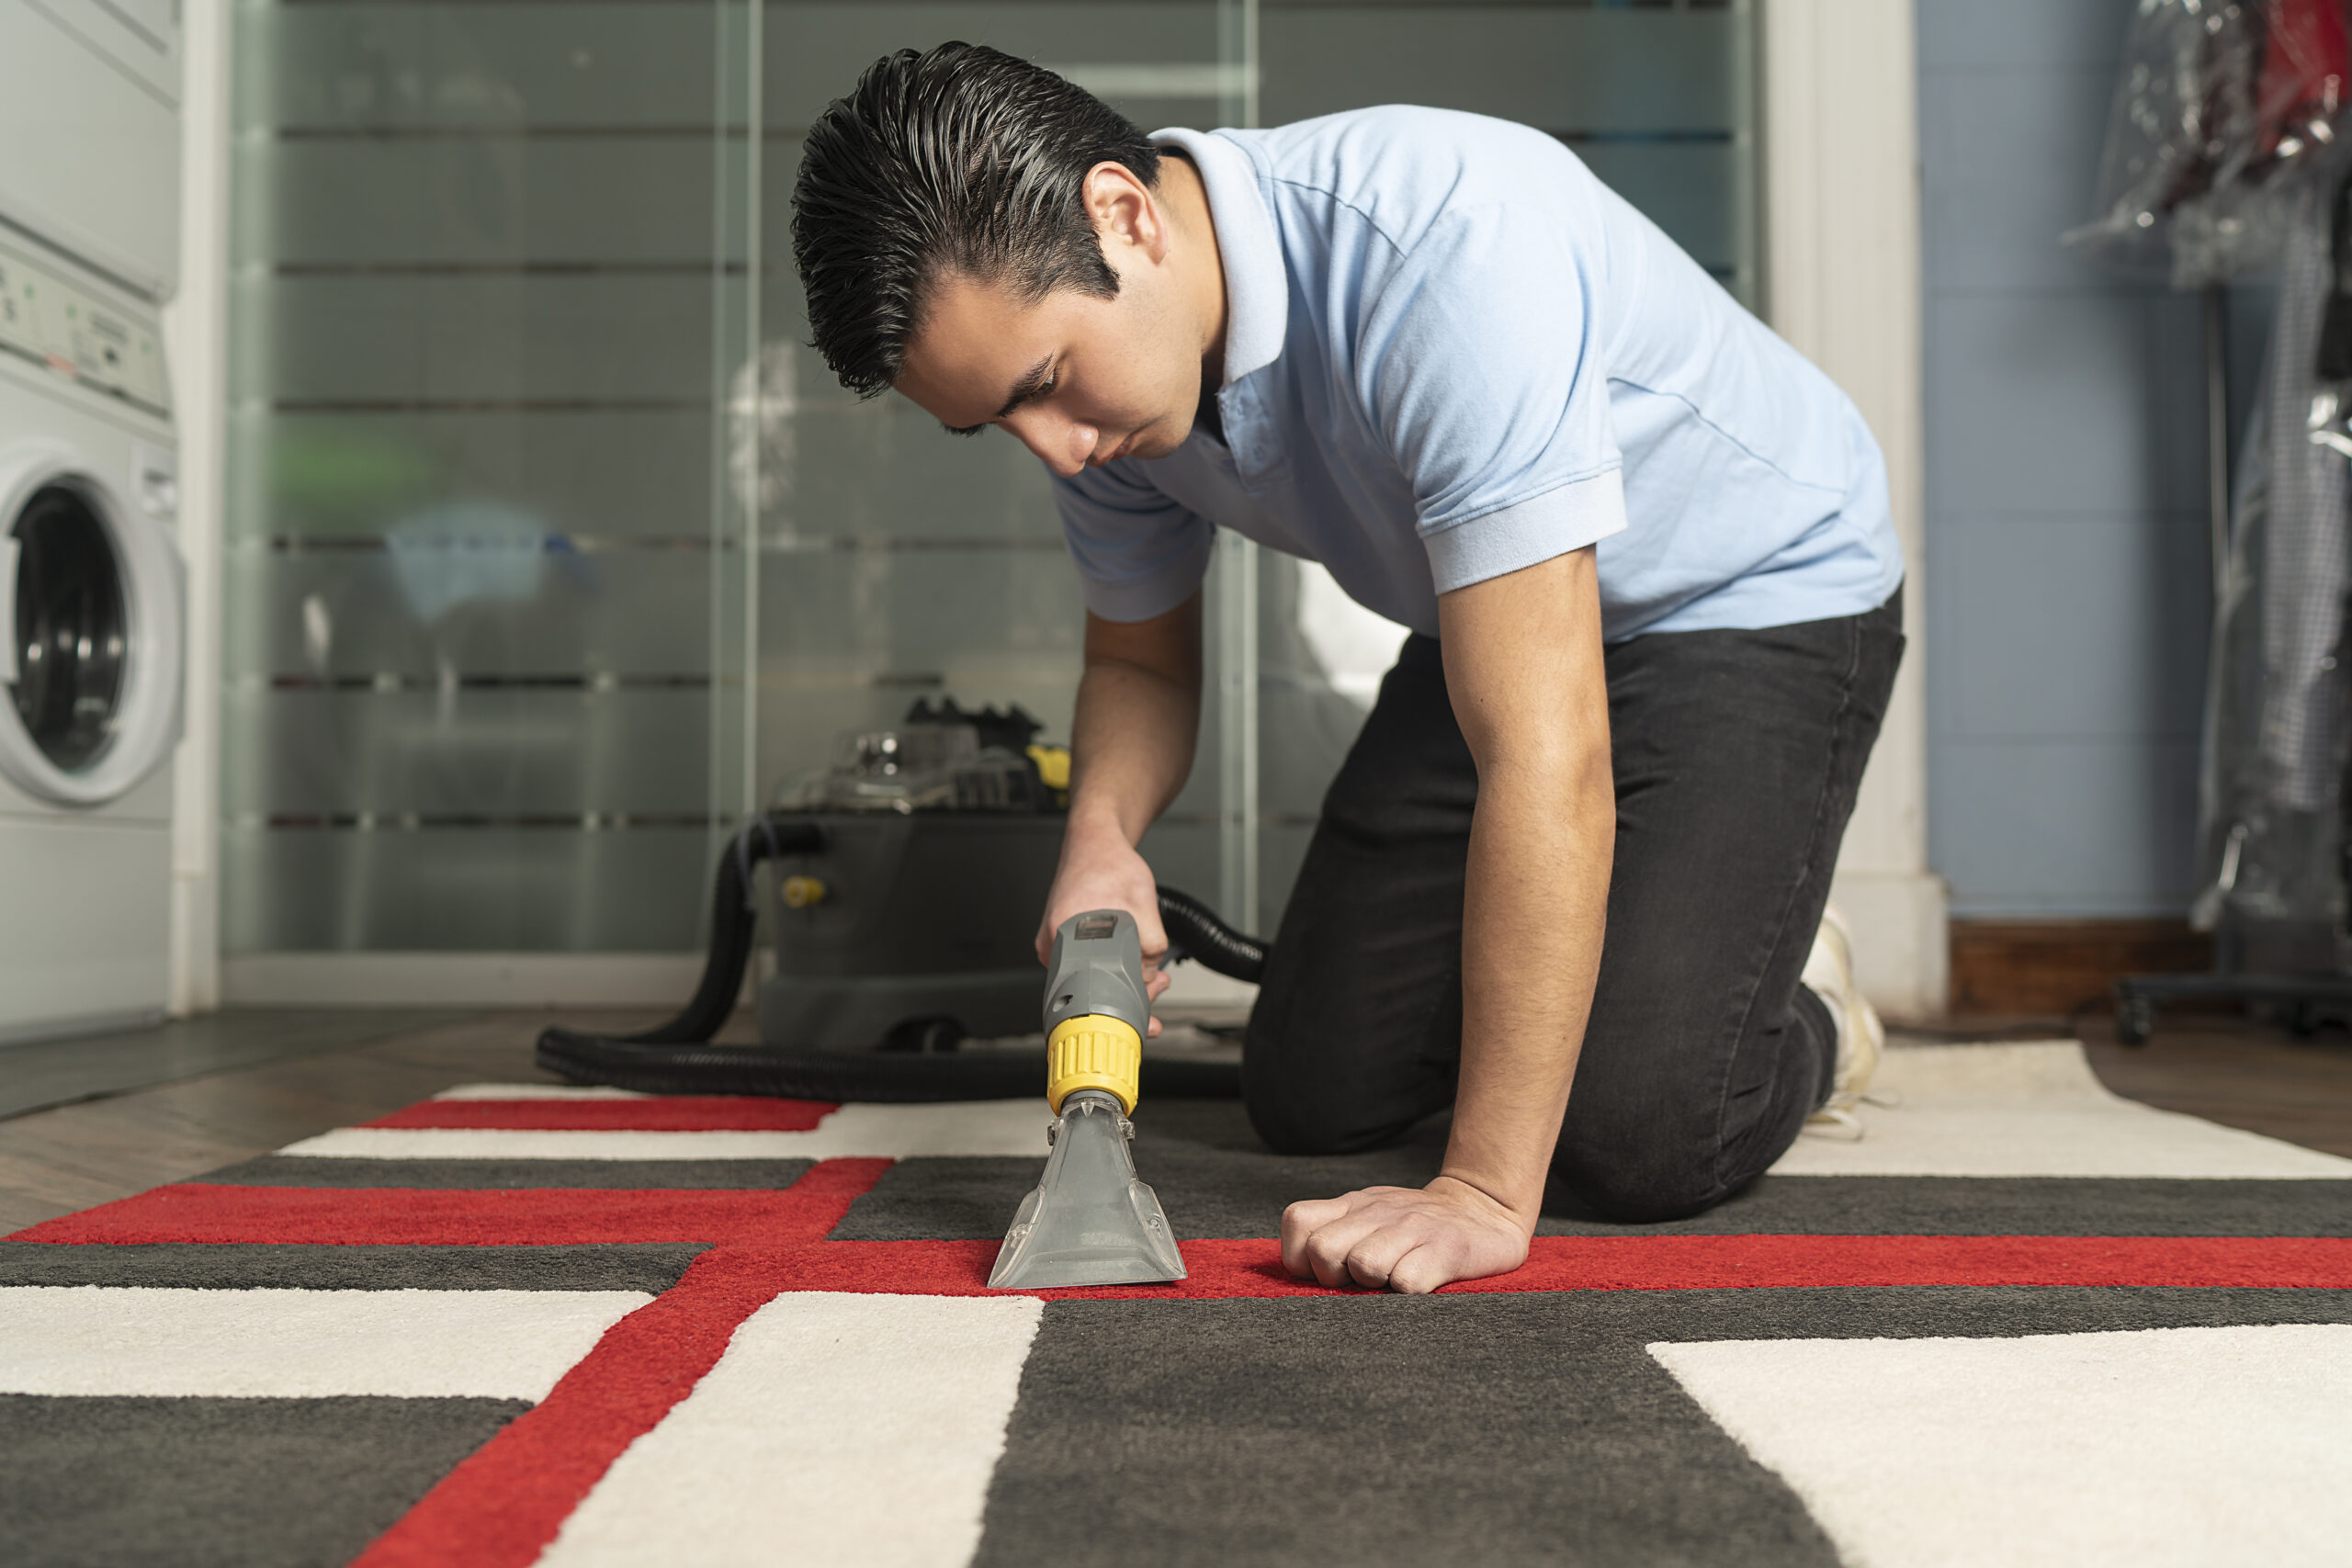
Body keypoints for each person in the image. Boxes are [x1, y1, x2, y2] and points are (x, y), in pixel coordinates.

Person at [789, 42, 1905, 1293]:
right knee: (1314, 1091)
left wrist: (1481, 1191)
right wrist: (1102, 836)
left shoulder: (1447, 252)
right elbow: (1144, 663)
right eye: (998, 417)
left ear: (1122, 216)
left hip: (1751, 593)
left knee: (1639, 1134)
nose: (1054, 450)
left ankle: (1799, 996)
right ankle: (1675, 937)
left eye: (1046, 385)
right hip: (1492, 613)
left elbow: (1548, 752)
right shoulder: (1114, 398)